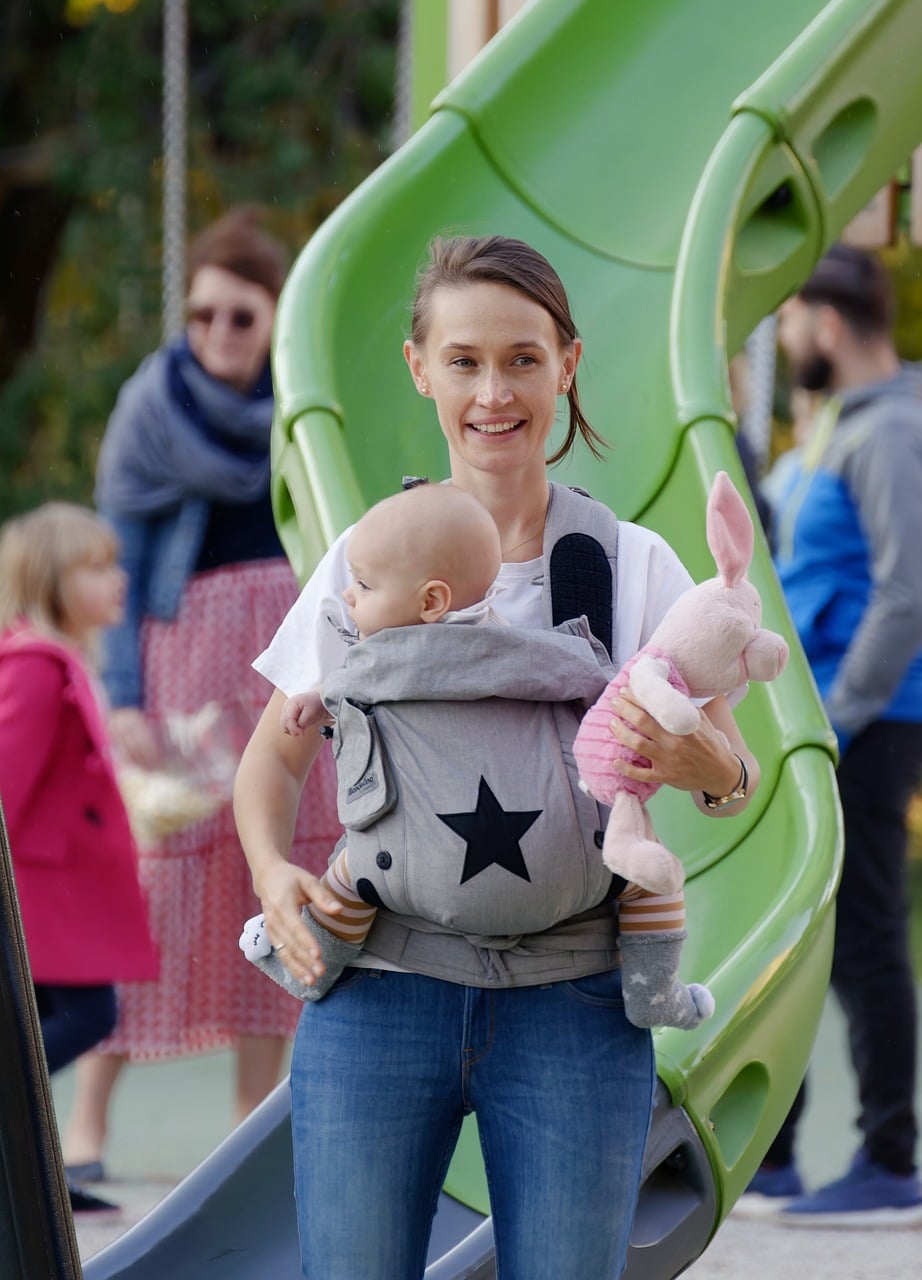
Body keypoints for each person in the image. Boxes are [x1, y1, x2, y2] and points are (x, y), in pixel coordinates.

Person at [233, 234, 761, 1279]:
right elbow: (273, 759)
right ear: (419, 367)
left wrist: (690, 751)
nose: (494, 390)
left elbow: (734, 775)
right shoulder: (372, 559)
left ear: (566, 363)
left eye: (523, 358)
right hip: (381, 985)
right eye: (464, 360)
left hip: (571, 1000)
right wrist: (269, 871)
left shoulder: (621, 564)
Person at [60, 207, 343, 1183]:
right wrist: (123, 694)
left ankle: (246, 1128)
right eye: (203, 315)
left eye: (240, 317)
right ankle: (88, 1124)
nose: (217, 334)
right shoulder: (153, 407)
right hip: (183, 665)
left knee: (278, 874)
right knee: (162, 883)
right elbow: (121, 565)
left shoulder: (308, 403)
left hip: (287, 657)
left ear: (273, 322)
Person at [244, 481, 713, 1032]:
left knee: (352, 878)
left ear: (431, 601)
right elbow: (588, 678)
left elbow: (347, 691)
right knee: (650, 875)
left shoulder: (379, 652)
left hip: (436, 909)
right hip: (560, 889)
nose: (350, 598)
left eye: (363, 587)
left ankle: (309, 968)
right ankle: (654, 987)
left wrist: (316, 702)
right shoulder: (525, 645)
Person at [745, 243, 922, 1224]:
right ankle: (773, 1156)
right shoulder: (832, 426)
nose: (784, 335)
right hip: (817, 717)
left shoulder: (890, 428)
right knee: (801, 931)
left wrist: (840, 719)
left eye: (788, 317)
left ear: (823, 320)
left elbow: (905, 593)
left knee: (860, 933)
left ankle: (889, 1156)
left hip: (867, 720)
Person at [0, 504, 159, 1216]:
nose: (117, 579)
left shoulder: (64, 661)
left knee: (40, 1021)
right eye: (96, 568)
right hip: (39, 890)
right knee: (88, 1013)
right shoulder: (34, 668)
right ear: (50, 581)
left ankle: (32, 1175)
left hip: (58, 885)